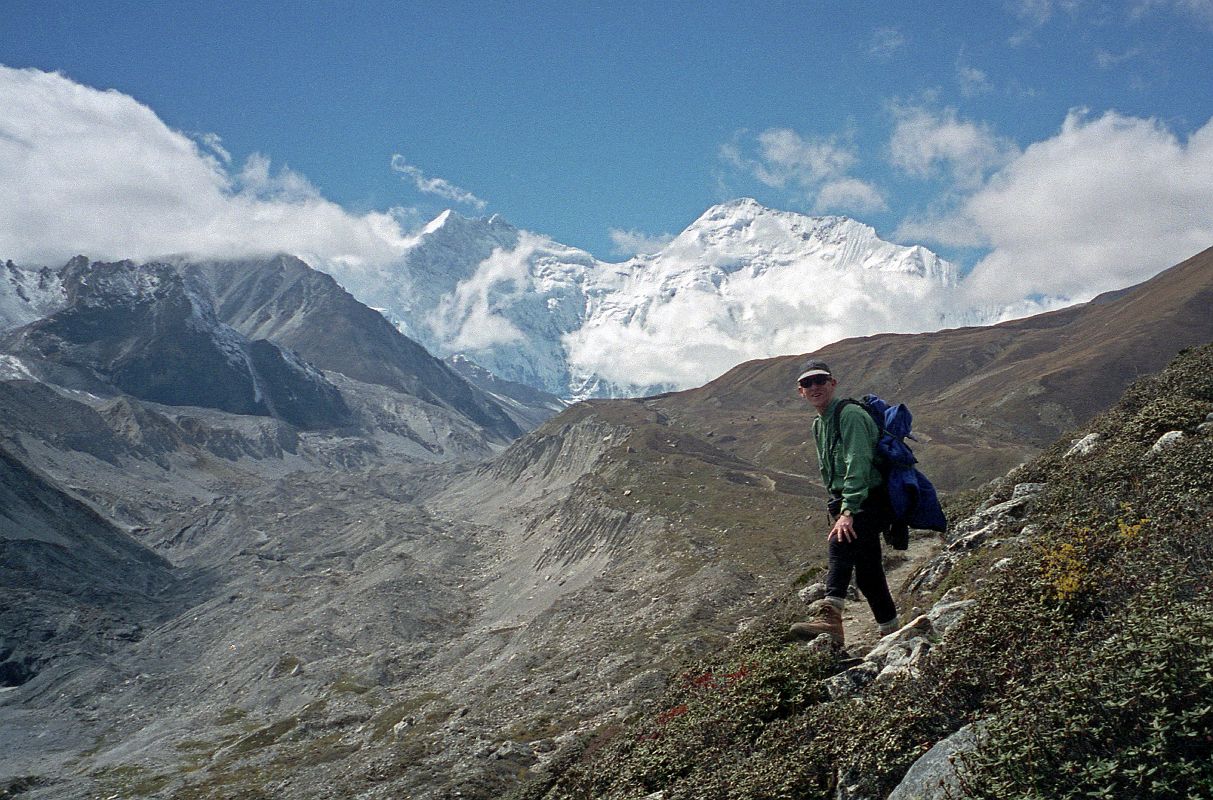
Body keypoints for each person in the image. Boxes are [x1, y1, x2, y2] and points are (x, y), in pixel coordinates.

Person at [789, 359, 899, 646]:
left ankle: (831, 617)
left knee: (840, 541)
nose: (814, 387)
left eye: (820, 380)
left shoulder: (849, 415)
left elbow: (858, 462)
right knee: (868, 574)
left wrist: (848, 510)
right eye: (807, 383)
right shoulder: (819, 424)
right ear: (800, 391)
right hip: (851, 499)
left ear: (832, 383)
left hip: (868, 497)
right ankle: (893, 631)